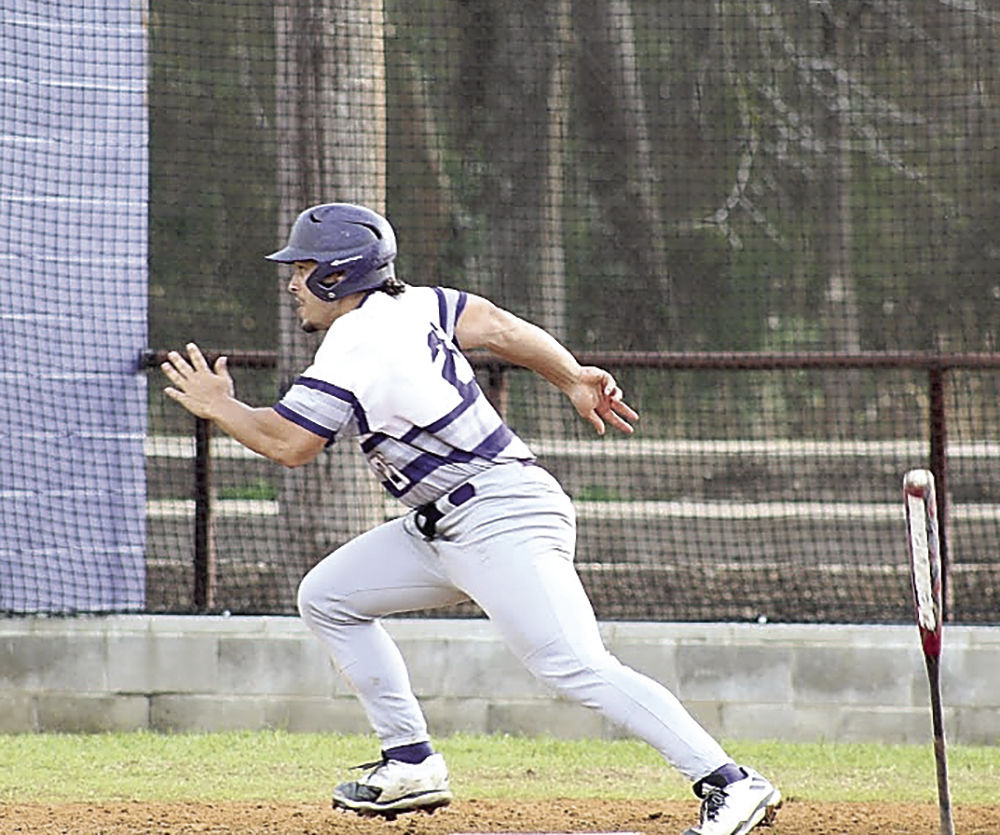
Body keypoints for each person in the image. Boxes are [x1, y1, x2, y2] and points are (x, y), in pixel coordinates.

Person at [160, 202, 781, 835]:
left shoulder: (358, 338)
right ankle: (411, 763)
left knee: (572, 663)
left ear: (337, 274)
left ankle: (728, 782)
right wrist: (569, 376)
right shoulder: (414, 303)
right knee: (328, 596)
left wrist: (221, 407)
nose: (292, 281)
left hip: (497, 514)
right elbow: (499, 326)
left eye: (303, 266)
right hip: (446, 523)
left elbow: (291, 445)